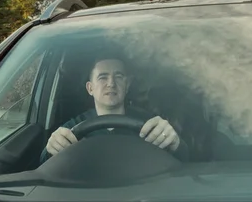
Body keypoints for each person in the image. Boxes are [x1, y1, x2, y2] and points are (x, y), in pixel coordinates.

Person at [39, 55, 189, 164]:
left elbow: (185, 162)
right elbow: (44, 165)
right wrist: (50, 150)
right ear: (90, 88)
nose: (111, 83)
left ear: (127, 85)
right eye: (103, 77)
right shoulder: (72, 129)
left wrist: (175, 143)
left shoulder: (151, 124)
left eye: (118, 76)